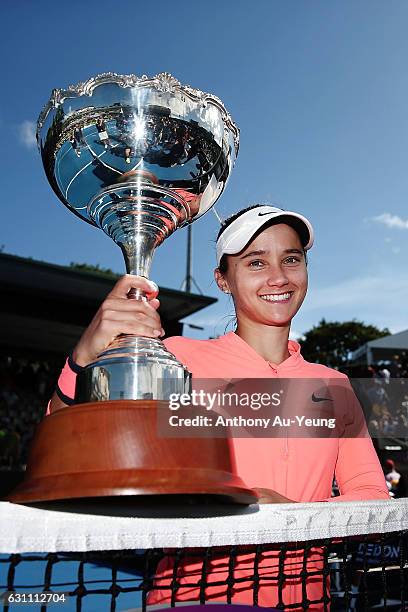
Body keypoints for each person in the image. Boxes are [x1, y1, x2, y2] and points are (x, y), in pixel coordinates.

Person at [48, 204, 390, 609]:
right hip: (193, 599)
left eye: (291, 259)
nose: (278, 277)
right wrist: (84, 356)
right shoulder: (178, 359)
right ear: (223, 280)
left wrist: (296, 516)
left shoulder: (336, 385)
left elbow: (373, 498)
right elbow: (65, 446)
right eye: (256, 262)